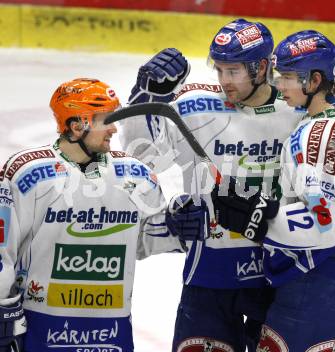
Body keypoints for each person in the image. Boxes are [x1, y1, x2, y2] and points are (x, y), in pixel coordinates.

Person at [120, 18, 304, 352]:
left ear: (261, 67)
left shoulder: (295, 110)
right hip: (210, 276)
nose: (223, 81)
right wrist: (143, 98)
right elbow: (141, 158)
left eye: (233, 71)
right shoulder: (195, 107)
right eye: (218, 70)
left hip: (279, 273)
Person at [212, 30, 335, 351]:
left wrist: (260, 219)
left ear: (314, 81)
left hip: (316, 273)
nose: (280, 85)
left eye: (287, 77)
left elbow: (323, 223)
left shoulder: (312, 140)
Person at [0, 78, 208, 352]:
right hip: (41, 325)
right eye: (105, 120)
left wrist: (176, 226)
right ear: (77, 126)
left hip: (111, 328)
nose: (113, 128)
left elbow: (143, 239)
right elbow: (3, 252)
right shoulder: (27, 175)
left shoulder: (135, 174)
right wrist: (5, 310)